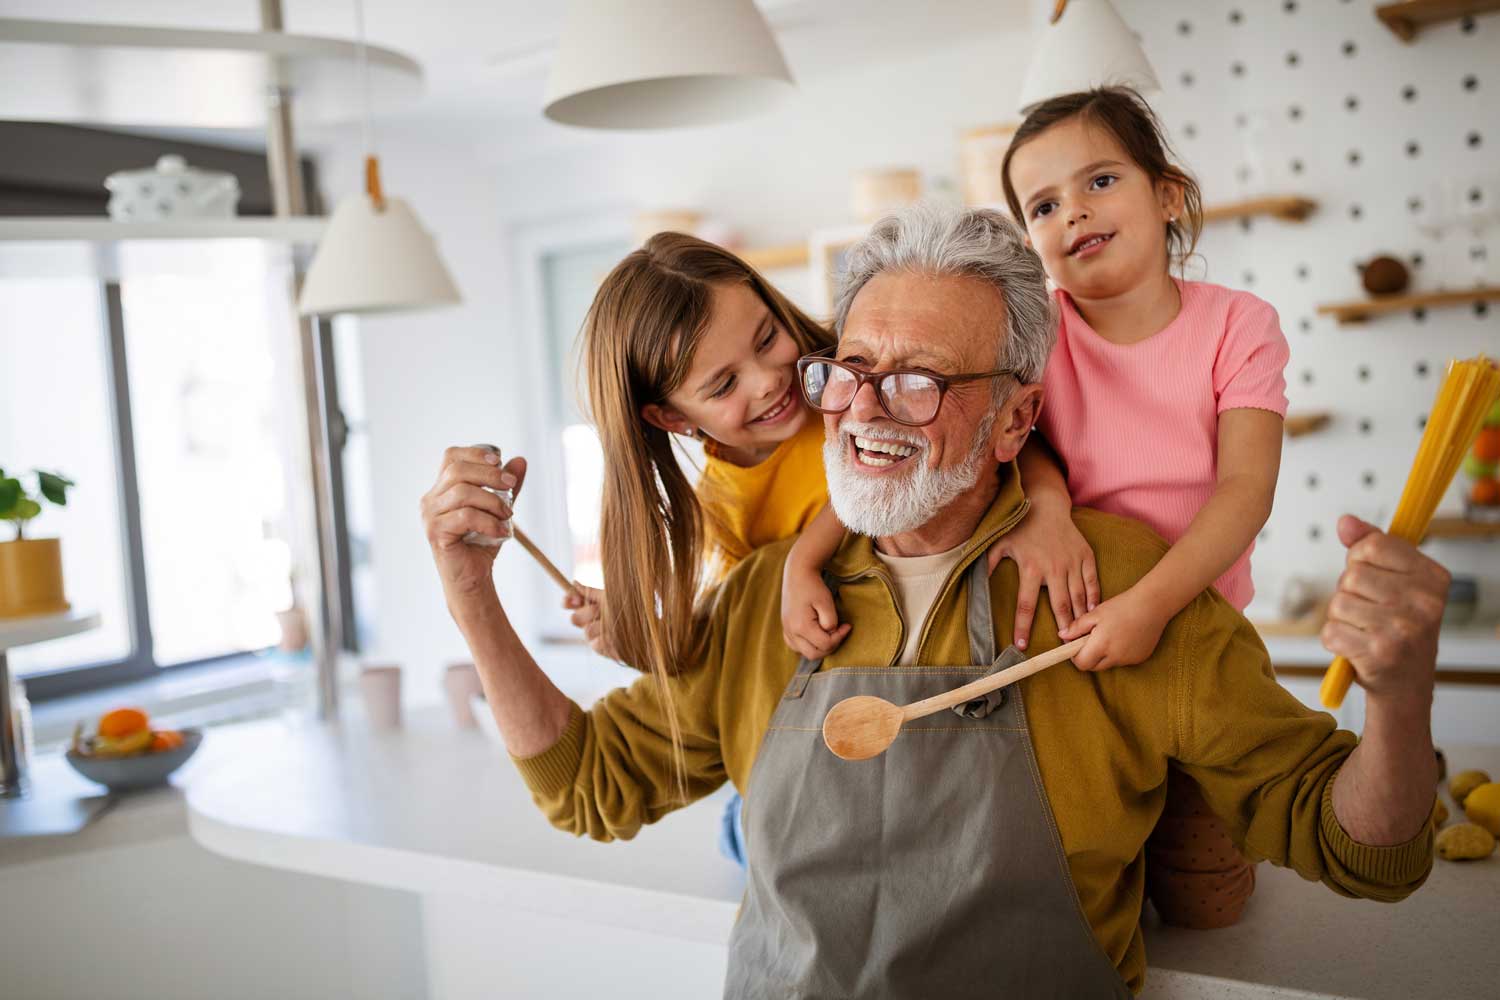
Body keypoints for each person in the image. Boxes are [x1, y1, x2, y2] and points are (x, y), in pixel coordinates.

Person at [421, 204, 1442, 997]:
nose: (864, 409)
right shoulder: (759, 604)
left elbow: (1359, 846)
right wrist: (472, 594)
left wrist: (1397, 693)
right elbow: (587, 786)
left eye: (918, 381)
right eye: (852, 371)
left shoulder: (1122, 584)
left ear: (1014, 421)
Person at [1001, 86, 1291, 927]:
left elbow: (1246, 488)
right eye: (1045, 204)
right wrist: (1047, 509)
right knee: (1090, 876)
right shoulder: (1039, 337)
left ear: (1167, 194)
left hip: (1199, 638)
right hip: (1081, 653)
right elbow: (1031, 446)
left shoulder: (1240, 324)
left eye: (1099, 182)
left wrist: (1153, 604)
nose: (1074, 214)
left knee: (1208, 909)